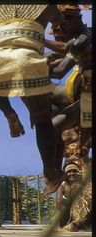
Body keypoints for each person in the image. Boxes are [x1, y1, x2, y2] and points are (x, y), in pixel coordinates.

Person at [0, 5, 64, 195]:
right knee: (43, 119)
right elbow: (59, 20)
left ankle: (9, 112)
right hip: (26, 60)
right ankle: (50, 171)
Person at [48, 4, 92, 164]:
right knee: (46, 95)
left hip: (88, 98)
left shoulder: (83, 39)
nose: (59, 30)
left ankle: (53, 169)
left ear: (75, 19)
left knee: (49, 128)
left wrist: (36, 71)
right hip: (80, 91)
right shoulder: (84, 35)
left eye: (61, 25)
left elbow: (59, 70)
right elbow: (63, 48)